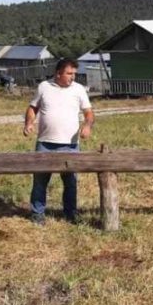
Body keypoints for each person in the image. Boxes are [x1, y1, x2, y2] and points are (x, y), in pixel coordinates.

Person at [24, 59, 94, 224]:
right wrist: (29, 122)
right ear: (58, 73)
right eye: (69, 73)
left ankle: (70, 214)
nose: (73, 77)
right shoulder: (44, 87)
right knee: (40, 181)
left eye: (74, 74)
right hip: (45, 143)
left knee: (70, 182)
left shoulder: (78, 89)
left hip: (70, 145)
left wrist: (87, 125)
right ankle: (37, 215)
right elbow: (33, 107)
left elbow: (89, 113)